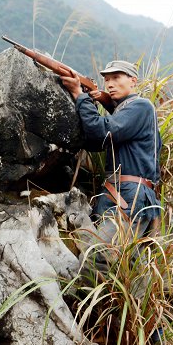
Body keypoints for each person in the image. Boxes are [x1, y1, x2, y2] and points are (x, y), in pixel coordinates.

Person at [61, 60, 162, 242]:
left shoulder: (141, 106)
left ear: (133, 81)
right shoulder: (125, 110)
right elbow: (94, 141)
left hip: (130, 194)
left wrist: (79, 95)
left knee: (99, 257)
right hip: (116, 193)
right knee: (112, 261)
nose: (110, 83)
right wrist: (97, 100)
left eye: (116, 77)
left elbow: (103, 132)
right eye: (107, 79)